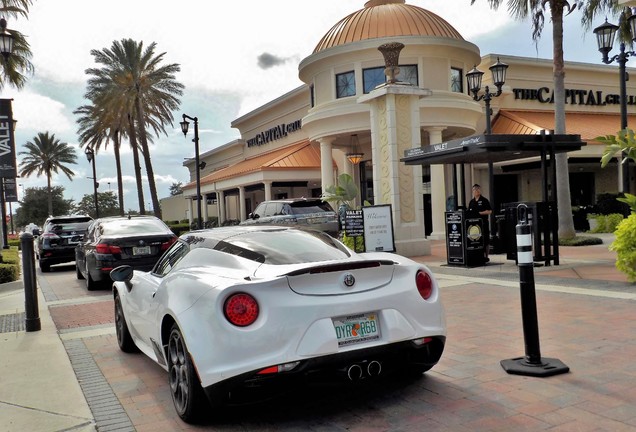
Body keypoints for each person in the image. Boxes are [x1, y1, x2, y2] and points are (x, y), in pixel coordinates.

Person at [468, 184, 492, 262]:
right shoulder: (471, 202)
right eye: (475, 189)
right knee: (476, 239)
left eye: (478, 189)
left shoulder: (484, 200)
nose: (476, 191)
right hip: (474, 226)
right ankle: (478, 255)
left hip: (483, 223)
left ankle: (486, 256)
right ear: (472, 191)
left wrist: (480, 213)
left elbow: (489, 211)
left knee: (485, 240)